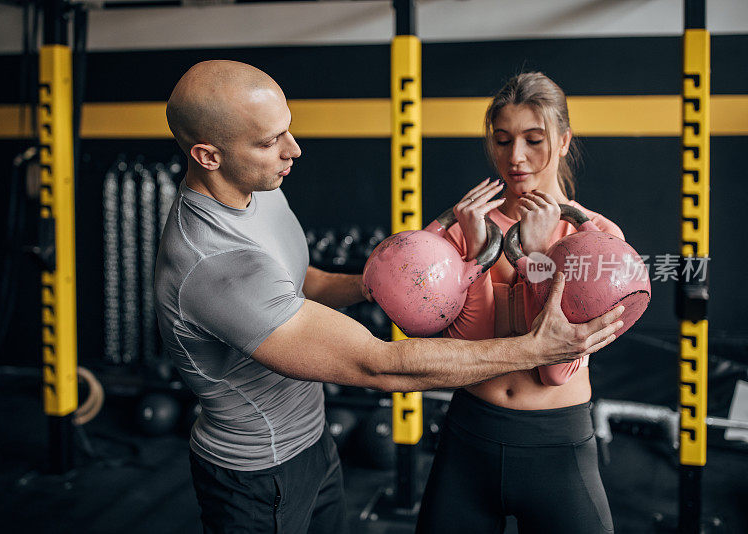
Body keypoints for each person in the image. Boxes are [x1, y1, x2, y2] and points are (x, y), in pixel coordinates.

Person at [154, 61, 624, 534]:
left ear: (564, 140)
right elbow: (382, 362)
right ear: (209, 156)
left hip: (328, 442)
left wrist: (374, 282)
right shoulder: (217, 266)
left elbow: (300, 282)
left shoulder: (258, 188)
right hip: (265, 469)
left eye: (534, 139)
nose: (293, 150)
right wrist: (488, 274)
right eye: (269, 141)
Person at [416, 72, 623, 534]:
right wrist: (475, 252)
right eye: (503, 140)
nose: (516, 158)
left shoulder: (597, 238)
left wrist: (533, 258)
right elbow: (464, 350)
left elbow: (555, 367)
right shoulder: (457, 226)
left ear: (565, 141)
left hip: (557, 442)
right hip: (470, 433)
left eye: (534, 139)